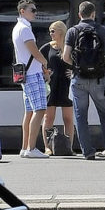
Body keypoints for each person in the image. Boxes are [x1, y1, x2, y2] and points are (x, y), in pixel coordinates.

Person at [61, 1, 105, 160]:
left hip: (78, 80)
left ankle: (88, 152)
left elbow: (65, 57)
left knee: (80, 116)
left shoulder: (72, 31)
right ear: (93, 14)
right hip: (98, 80)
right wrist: (99, 64)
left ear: (79, 14)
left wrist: (79, 66)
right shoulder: (103, 30)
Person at [11, 0, 51, 158]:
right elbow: (33, 50)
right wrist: (44, 62)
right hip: (33, 74)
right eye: (32, 10)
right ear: (22, 11)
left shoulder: (17, 28)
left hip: (25, 75)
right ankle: (31, 148)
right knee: (40, 109)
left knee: (29, 111)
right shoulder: (25, 29)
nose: (35, 12)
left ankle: (24, 147)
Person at [42, 20, 75, 156]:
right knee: (48, 117)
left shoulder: (69, 47)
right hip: (51, 85)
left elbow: (78, 62)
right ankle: (47, 147)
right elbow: (37, 61)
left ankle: (69, 147)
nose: (50, 34)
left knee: (68, 118)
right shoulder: (47, 47)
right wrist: (45, 73)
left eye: (53, 31)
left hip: (66, 85)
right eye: (50, 31)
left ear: (61, 31)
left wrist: (74, 72)